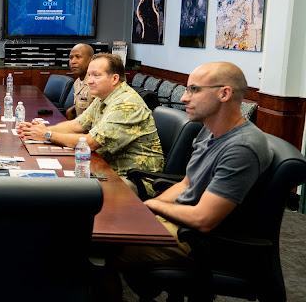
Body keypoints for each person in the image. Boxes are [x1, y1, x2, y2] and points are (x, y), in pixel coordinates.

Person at [113, 62, 273, 301]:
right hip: (180, 222)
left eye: (194, 90)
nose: (185, 98)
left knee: (95, 245)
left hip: (201, 241)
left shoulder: (242, 147)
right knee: (102, 227)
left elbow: (203, 219)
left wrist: (152, 206)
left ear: (224, 93)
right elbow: (187, 183)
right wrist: (145, 212)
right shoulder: (209, 128)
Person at [17, 52, 164, 193]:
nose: (89, 80)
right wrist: (41, 130)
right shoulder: (103, 97)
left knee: (67, 192)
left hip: (134, 180)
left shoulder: (127, 104)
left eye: (96, 75)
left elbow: (91, 142)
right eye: (89, 75)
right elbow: (76, 125)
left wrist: (46, 135)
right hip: (107, 168)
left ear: (114, 79)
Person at [64, 43, 96, 120]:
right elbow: (83, 103)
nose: (73, 62)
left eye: (78, 57)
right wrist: (71, 109)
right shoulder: (77, 82)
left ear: (90, 60)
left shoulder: (95, 83)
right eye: (71, 58)